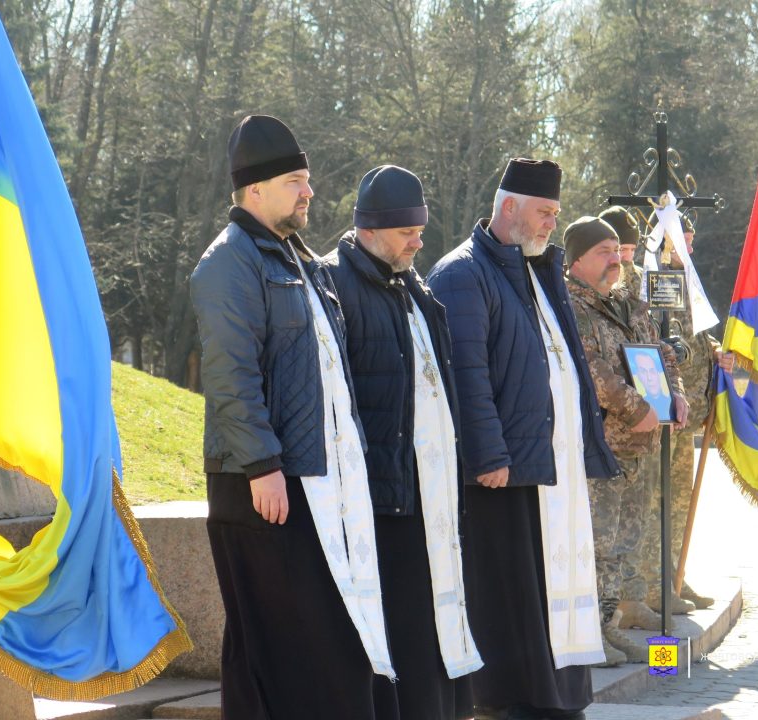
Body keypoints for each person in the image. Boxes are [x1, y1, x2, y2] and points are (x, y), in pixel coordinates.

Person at [190, 115, 396, 719]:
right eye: (296, 181)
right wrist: (262, 465)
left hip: (310, 482)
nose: (310, 192)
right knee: (282, 650)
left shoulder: (294, 257)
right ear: (255, 190)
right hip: (264, 486)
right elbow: (231, 380)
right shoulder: (228, 264)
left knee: (306, 647)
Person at [427, 159, 620, 720]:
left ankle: (557, 696)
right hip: (504, 470)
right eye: (543, 213)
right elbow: (468, 374)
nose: (549, 226)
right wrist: (489, 453)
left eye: (555, 215)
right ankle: (516, 697)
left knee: (549, 584)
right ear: (508, 206)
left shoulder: (536, 269)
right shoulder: (462, 274)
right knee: (512, 590)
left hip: (547, 465)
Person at [323, 165, 482, 719]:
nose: (419, 241)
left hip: (428, 490)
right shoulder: (334, 284)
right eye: (406, 232)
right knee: (404, 624)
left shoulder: (410, 282)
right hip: (383, 493)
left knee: (434, 616)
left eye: (421, 229)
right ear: (370, 229)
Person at [563, 216, 687, 666]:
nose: (616, 260)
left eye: (617, 252)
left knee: (621, 546)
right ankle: (588, 634)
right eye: (604, 252)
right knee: (595, 545)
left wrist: (675, 396)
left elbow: (661, 352)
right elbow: (593, 372)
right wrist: (639, 410)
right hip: (601, 448)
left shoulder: (626, 303)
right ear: (576, 259)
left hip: (639, 447)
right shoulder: (569, 307)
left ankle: (608, 628)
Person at [641, 216, 735, 615]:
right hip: (657, 414)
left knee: (679, 501)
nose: (690, 251)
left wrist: (716, 352)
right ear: (663, 242)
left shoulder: (687, 283)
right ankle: (650, 584)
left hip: (687, 414)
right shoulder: (646, 281)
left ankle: (675, 577)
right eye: (684, 243)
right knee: (653, 502)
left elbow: (696, 333)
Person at [598, 206, 642, 301]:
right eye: (622, 249)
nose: (628, 257)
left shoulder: (644, 279)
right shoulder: (592, 278)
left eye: (632, 249)